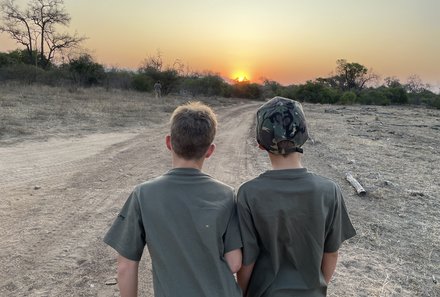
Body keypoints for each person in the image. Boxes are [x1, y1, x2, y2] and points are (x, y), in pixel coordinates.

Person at [104, 101, 242, 297]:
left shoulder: (143, 194)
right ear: (210, 150)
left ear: (169, 143)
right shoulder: (227, 195)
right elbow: (234, 262)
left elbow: (125, 266)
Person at [236, 97, 356, 297]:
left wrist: (243, 293)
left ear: (260, 144)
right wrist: (317, 288)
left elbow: (247, 260)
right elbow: (331, 252)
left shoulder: (249, 193)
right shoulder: (329, 190)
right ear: (304, 137)